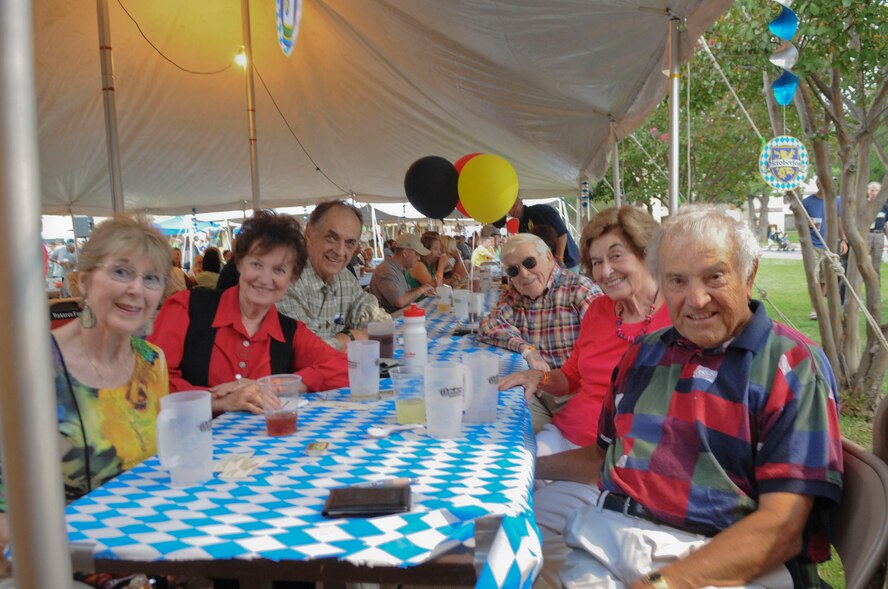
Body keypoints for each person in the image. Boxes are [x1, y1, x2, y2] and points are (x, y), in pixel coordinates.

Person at [537, 205, 843, 589]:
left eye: (714, 277)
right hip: (614, 534)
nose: (696, 299)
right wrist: (526, 468)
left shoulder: (790, 365)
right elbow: (601, 457)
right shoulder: (643, 354)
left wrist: (662, 583)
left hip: (720, 556)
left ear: (749, 273)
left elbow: (780, 528)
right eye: (677, 281)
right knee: (511, 535)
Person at [0, 214, 170, 543]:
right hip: (60, 558)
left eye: (151, 278)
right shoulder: (26, 369)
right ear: (83, 282)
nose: (136, 288)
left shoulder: (152, 362)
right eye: (121, 271)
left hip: (150, 543)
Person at [499, 207, 669, 455]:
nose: (605, 271)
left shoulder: (681, 316)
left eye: (616, 256)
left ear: (647, 254)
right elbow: (570, 378)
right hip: (565, 434)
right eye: (597, 262)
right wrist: (539, 377)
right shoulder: (600, 309)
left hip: (616, 456)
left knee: (522, 480)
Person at [149, 210, 349, 414]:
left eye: (279, 270)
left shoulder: (289, 331)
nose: (264, 278)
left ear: (292, 278)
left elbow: (346, 368)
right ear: (239, 264)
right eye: (256, 264)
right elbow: (149, 381)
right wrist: (216, 401)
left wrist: (276, 385)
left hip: (266, 443)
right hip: (189, 440)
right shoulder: (186, 307)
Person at [478, 233, 599, 431]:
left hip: (577, 395)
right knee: (494, 420)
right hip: (538, 394)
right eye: (514, 270)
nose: (524, 274)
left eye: (529, 262)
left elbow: (607, 348)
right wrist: (527, 350)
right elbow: (488, 326)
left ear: (549, 258)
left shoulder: (579, 290)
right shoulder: (514, 295)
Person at [277, 201, 391, 351]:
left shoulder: (345, 278)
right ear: (309, 233)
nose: (340, 251)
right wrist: (351, 337)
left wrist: (342, 340)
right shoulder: (284, 280)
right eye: (331, 237)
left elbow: (382, 322)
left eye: (350, 243)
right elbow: (304, 351)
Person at [801, 178, 847, 319]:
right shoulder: (807, 202)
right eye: (824, 183)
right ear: (818, 185)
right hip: (813, 244)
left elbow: (840, 221)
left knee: (826, 277)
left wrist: (844, 240)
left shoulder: (836, 201)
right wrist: (805, 223)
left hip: (830, 244)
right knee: (814, 277)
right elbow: (800, 223)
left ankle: (820, 306)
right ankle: (815, 308)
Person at [368, 234, 437, 313]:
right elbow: (400, 301)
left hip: (398, 318)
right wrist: (422, 289)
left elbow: (403, 293)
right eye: (416, 254)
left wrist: (423, 289)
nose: (419, 258)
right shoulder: (386, 270)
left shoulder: (398, 268)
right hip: (388, 321)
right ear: (405, 253)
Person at [509, 196, 580, 269]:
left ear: (521, 201)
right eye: (508, 210)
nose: (512, 211)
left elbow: (562, 234)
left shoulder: (540, 211)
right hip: (549, 265)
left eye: (513, 206)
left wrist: (559, 259)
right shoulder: (521, 226)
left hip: (568, 261)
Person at [866, 181, 886, 278]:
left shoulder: (884, 206)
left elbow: (886, 224)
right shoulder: (863, 205)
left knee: (876, 264)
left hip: (879, 235)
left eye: (876, 190)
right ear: (868, 191)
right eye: (872, 190)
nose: (874, 193)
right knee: (863, 262)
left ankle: (876, 289)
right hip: (866, 235)